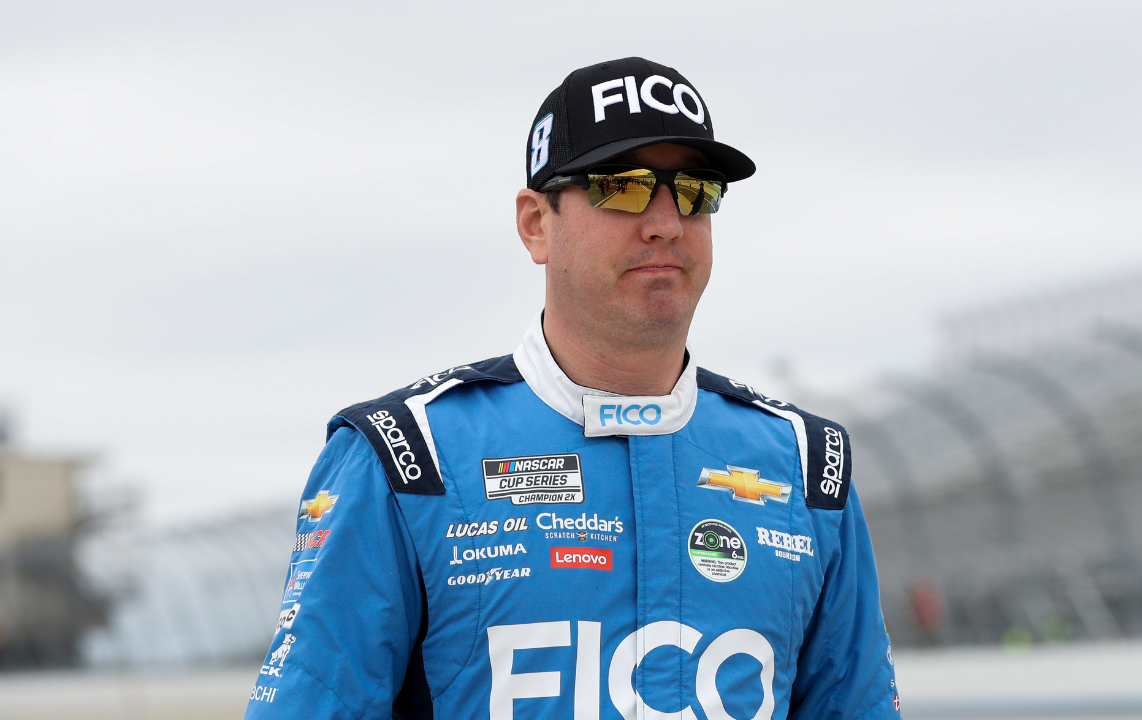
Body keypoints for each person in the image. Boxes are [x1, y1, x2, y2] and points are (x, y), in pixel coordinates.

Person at [245, 56, 901, 720]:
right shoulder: (407, 460)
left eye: (697, 190)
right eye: (623, 186)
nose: (668, 222)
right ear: (536, 223)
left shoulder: (807, 467)